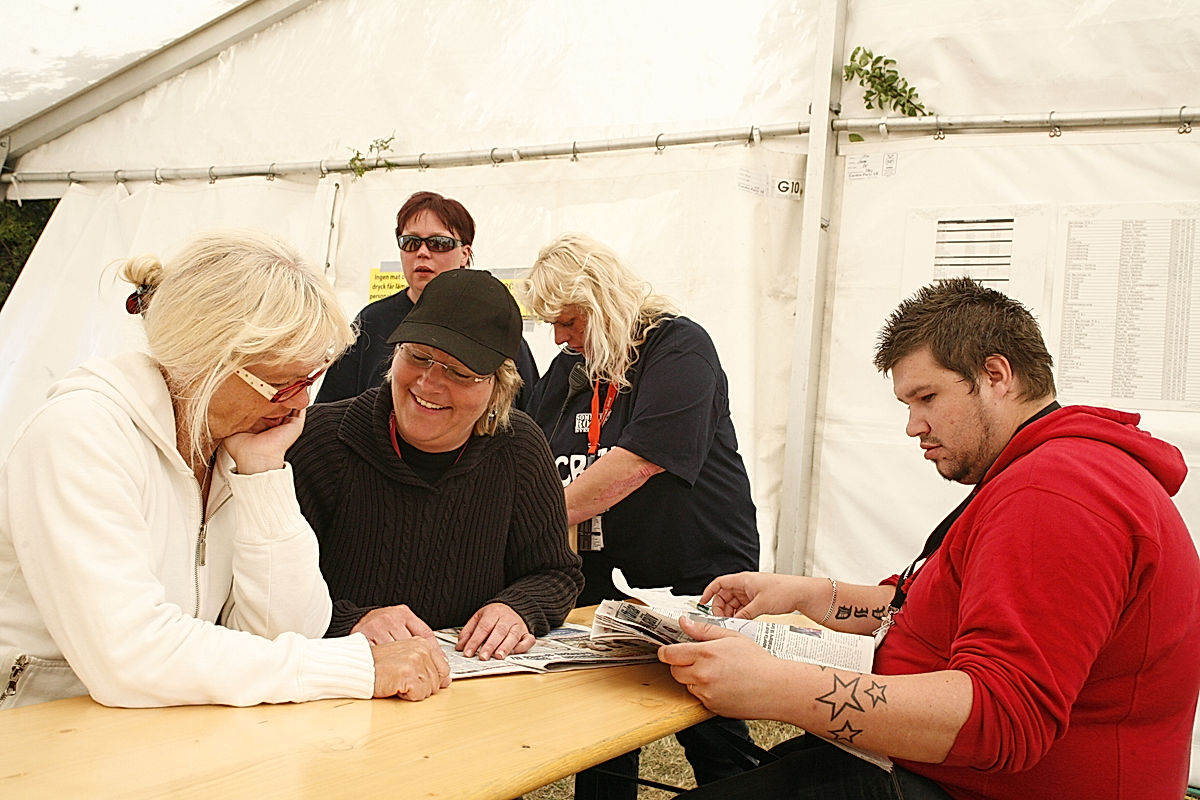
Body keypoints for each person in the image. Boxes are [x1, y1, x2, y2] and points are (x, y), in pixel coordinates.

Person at [658, 277, 1200, 800]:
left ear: (995, 375)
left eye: (927, 397)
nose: (914, 426)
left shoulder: (1054, 493)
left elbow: (1001, 718)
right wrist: (805, 594)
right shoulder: (1045, 468)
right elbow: (916, 605)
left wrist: (779, 688)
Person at [0, 229, 450, 710]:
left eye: (310, 380)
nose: (301, 403)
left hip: (159, 735)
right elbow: (129, 656)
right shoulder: (79, 434)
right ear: (204, 362)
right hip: (37, 742)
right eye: (282, 384)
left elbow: (289, 630)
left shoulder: (231, 446)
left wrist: (263, 476)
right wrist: (357, 666)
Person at [520, 233, 760, 798]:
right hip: (601, 575)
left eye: (569, 320)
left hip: (693, 568)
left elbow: (640, 460)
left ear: (601, 302)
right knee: (599, 728)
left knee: (711, 720)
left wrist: (534, 524)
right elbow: (530, 452)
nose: (559, 337)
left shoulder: (678, 345)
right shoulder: (567, 369)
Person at [289, 268, 582, 661]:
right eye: (418, 356)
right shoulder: (319, 442)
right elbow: (271, 591)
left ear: (499, 387)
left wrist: (516, 609)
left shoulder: (520, 448)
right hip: (343, 686)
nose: (428, 383)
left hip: (466, 694)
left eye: (460, 372)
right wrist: (350, 621)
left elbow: (555, 573)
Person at [315, 190, 540, 407]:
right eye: (410, 242)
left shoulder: (495, 324)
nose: (422, 252)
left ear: (465, 253)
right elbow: (331, 409)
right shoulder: (372, 321)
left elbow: (530, 414)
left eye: (439, 243)